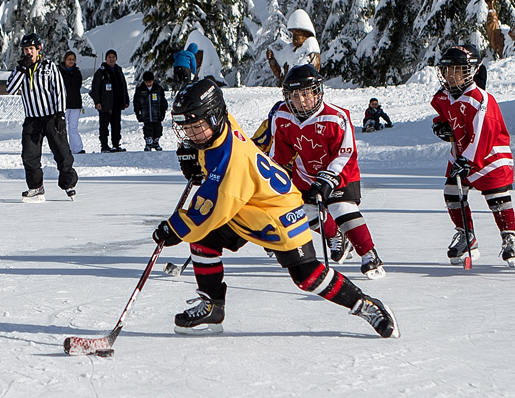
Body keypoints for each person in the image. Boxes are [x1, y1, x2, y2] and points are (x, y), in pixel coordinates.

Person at [152, 77, 398, 338]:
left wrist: (174, 229)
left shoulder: (230, 166)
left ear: (214, 118)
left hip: (277, 213)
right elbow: (215, 162)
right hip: (247, 207)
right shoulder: (222, 127)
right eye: (186, 128)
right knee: (203, 241)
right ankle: (212, 306)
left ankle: (365, 305)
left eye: (196, 126)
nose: (190, 134)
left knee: (307, 276)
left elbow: (207, 212)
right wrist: (197, 158)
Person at [252, 65, 385, 278]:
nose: (302, 100)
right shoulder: (282, 117)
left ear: (317, 91)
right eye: (295, 95)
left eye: (306, 93)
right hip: (305, 174)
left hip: (341, 172)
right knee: (304, 211)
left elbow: (345, 153)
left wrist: (329, 178)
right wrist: (269, 177)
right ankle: (335, 237)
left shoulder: (336, 117)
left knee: (341, 208)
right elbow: (280, 155)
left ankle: (369, 254)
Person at [430, 45, 515, 267]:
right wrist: (441, 126)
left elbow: (483, 133)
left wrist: (467, 160)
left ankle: (510, 239)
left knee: (496, 196)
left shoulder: (480, 99)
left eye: (457, 70)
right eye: (447, 71)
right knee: (452, 192)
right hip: (462, 153)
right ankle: (466, 235)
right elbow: (444, 115)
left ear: (470, 70)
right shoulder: (444, 96)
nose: (450, 76)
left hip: (490, 156)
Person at [6, 33, 76, 202]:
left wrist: (60, 114)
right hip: (32, 119)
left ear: (38, 49)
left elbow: (60, 90)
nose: (28, 52)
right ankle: (36, 187)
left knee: (61, 151)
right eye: (25, 50)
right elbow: (11, 89)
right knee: (29, 155)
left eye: (31, 49)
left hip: (52, 116)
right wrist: (23, 69)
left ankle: (68, 184)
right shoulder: (19, 69)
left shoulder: (49, 66)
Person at [265, 9, 322, 86]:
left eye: (297, 34)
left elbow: (312, 73)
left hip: (301, 90)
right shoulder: (289, 50)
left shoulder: (310, 48)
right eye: (293, 34)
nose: (294, 38)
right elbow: (281, 75)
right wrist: (272, 60)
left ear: (305, 34)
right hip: (287, 91)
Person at [92, 49, 129, 152]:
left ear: (116, 58)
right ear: (106, 59)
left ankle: (116, 144)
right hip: (105, 104)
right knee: (104, 126)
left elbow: (123, 86)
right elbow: (95, 88)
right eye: (109, 57)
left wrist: (126, 100)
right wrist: (97, 102)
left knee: (116, 125)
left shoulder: (119, 70)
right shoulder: (101, 72)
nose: (111, 59)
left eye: (113, 57)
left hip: (117, 103)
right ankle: (104, 145)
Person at [133, 71, 168, 151]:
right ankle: (148, 141)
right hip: (146, 114)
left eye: (150, 82)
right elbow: (136, 103)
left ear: (153, 80)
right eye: (146, 82)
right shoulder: (140, 90)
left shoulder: (158, 89)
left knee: (157, 128)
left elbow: (163, 101)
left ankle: (156, 141)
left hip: (157, 114)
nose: (148, 84)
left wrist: (163, 111)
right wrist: (138, 113)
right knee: (148, 128)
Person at [61, 52, 86, 154]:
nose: (71, 61)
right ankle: (61, 149)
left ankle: (77, 148)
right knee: (62, 128)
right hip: (63, 104)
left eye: (73, 59)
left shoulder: (77, 72)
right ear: (65, 60)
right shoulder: (60, 72)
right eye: (69, 59)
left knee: (73, 127)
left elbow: (78, 85)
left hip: (75, 104)